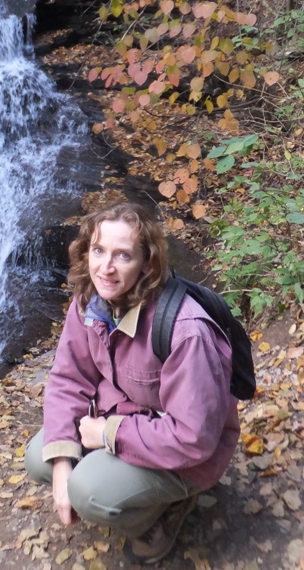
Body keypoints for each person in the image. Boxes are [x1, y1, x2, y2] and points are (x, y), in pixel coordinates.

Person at [24, 201, 240, 564]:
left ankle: (166, 511)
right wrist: (62, 462)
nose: (105, 268)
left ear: (147, 263)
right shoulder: (90, 301)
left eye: (122, 256)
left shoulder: (184, 331)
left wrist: (109, 433)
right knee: (40, 458)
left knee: (88, 491)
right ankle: (123, 489)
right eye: (98, 251)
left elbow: (194, 438)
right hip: (130, 420)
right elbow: (67, 377)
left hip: (188, 454)